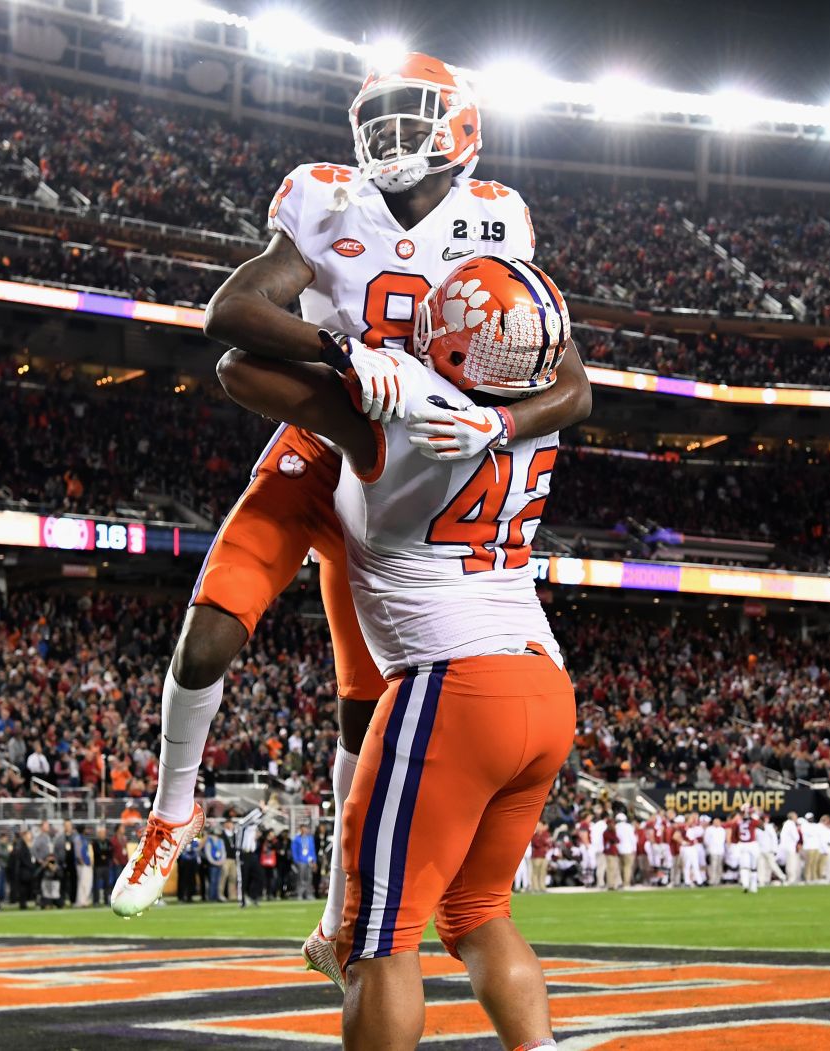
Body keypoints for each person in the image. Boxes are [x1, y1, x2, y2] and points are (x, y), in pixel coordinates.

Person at [110, 51, 592, 978]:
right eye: (381, 116)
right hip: (327, 437)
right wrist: (340, 353)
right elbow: (233, 314)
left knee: (362, 712)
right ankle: (172, 811)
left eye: (414, 117)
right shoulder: (328, 201)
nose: (390, 136)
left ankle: (338, 918)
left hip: (418, 470)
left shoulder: (497, 217)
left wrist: (494, 422)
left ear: (459, 128)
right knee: (207, 637)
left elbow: (555, 363)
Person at [216, 250, 575, 1051]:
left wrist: (344, 357)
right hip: (543, 681)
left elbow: (237, 363)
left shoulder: (402, 402)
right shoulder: (538, 406)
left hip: (453, 685)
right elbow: (567, 378)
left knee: (378, 936)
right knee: (480, 910)